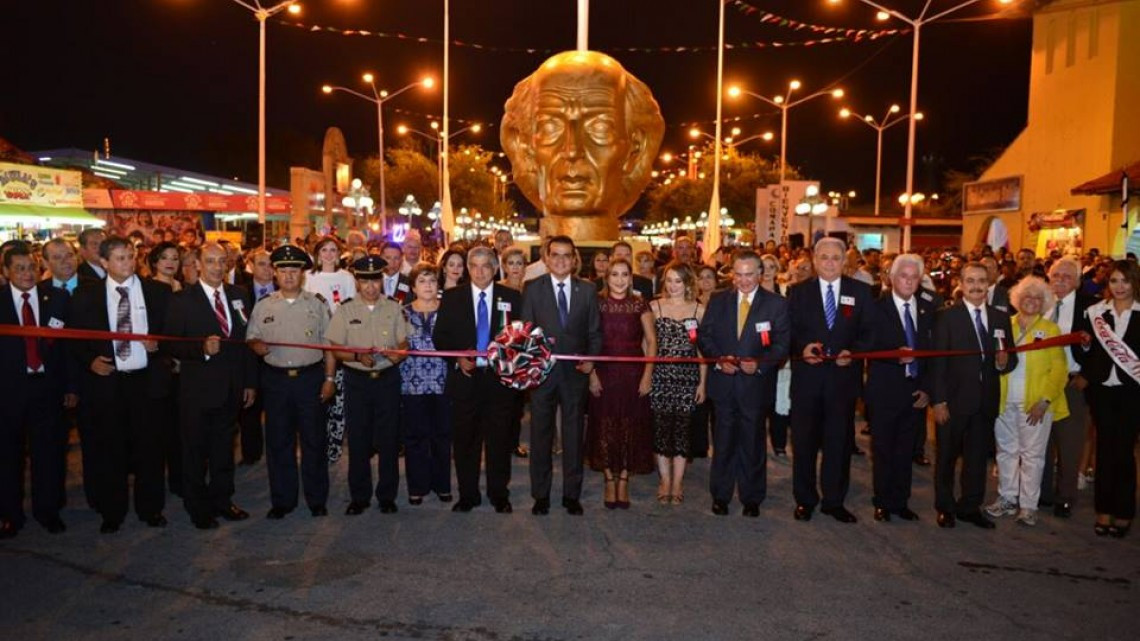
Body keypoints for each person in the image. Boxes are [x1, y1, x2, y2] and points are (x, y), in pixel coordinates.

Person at [69, 236, 172, 533]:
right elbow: (75, 342)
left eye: (130, 256)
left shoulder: (158, 292)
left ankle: (150, 509)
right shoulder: (86, 297)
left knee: (150, 449)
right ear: (104, 263)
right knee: (110, 450)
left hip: (146, 382)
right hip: (108, 384)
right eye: (119, 258)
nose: (127, 263)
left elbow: (172, 334)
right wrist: (90, 362)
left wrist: (160, 346)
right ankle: (112, 512)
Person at [163, 242, 258, 530]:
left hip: (231, 388)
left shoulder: (239, 295)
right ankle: (198, 507)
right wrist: (201, 349)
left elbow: (247, 342)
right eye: (211, 261)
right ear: (198, 265)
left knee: (223, 450)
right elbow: (170, 344)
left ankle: (223, 499)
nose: (217, 267)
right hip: (197, 391)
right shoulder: (183, 300)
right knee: (195, 451)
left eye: (222, 261)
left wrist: (250, 382)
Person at [787, 237, 875, 524]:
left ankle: (834, 501)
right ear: (814, 260)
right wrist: (801, 348)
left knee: (838, 444)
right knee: (804, 444)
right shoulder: (798, 292)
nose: (829, 263)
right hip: (807, 381)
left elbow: (869, 333)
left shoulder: (861, 292)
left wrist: (855, 352)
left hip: (842, 382)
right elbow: (787, 331)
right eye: (823, 257)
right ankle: (805, 499)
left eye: (835, 258)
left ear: (844, 261)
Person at [246, 245, 336, 520]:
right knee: (278, 441)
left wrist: (330, 378)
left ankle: (316, 499)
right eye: (283, 270)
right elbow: (252, 337)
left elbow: (330, 345)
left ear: (302, 274)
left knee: (314, 441)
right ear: (274, 273)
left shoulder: (317, 304)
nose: (288, 275)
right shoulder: (264, 306)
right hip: (276, 382)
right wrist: (255, 345)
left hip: (310, 378)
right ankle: (283, 500)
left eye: (294, 270)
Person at [698, 250, 790, 517]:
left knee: (753, 443)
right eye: (738, 274)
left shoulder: (776, 304)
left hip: (755, 387)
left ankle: (752, 498)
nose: (744, 280)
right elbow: (705, 336)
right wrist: (718, 359)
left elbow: (782, 345)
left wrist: (760, 364)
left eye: (749, 274)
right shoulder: (718, 300)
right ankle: (721, 496)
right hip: (724, 384)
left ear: (760, 274)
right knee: (723, 442)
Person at [433, 248, 522, 513]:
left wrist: (508, 359)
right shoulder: (452, 297)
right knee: (465, 442)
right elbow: (441, 337)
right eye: (474, 265)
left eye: (486, 266)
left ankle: (499, 494)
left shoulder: (512, 297)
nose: (480, 271)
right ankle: (468, 495)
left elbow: (521, 338)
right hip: (466, 380)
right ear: (468, 268)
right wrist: (458, 358)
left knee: (499, 441)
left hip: (499, 382)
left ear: (496, 269)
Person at [930, 261, 1017, 530]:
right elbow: (937, 364)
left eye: (981, 281)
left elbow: (1010, 361)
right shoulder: (946, 316)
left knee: (977, 459)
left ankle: (970, 506)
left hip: (985, 401)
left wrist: (1003, 363)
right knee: (946, 456)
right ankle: (945, 507)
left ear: (989, 283)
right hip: (953, 402)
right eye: (971, 281)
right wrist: (939, 401)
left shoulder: (1002, 318)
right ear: (961, 284)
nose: (977, 286)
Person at [520, 235, 603, 515]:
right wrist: (532, 364)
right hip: (542, 375)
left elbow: (594, 332)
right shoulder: (532, 289)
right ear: (546, 257)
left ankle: (571, 495)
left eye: (567, 255)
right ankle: (541, 495)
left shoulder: (588, 290)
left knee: (573, 435)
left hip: (575, 375)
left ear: (575, 259)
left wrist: (591, 361)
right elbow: (525, 331)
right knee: (540, 436)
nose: (561, 260)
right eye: (555, 254)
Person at [0, 245, 75, 538]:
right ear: (6, 272)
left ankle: (48, 511)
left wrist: (71, 387)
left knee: (50, 453)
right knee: (8, 455)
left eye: (30, 267)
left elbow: (68, 348)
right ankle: (9, 514)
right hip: (8, 392)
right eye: (19, 268)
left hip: (48, 389)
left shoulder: (57, 298)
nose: (27, 273)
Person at [326, 256, 409, 515]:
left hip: (386, 380)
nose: (371, 286)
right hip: (357, 381)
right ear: (357, 282)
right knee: (359, 439)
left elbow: (404, 342)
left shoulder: (394, 307)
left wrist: (400, 353)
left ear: (381, 279)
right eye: (364, 280)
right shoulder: (345, 309)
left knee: (388, 439)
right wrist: (356, 356)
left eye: (375, 280)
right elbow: (335, 348)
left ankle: (387, 496)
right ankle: (359, 496)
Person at [985, 276, 1068, 527]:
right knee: (1006, 451)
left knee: (1033, 455)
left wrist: (1044, 401)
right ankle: (1007, 498)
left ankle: (1028, 506)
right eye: (1026, 297)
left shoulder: (1051, 330)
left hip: (1035, 403)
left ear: (1044, 303)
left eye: (1037, 298)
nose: (1031, 301)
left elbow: (1059, 370)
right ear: (1017, 300)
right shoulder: (1005, 325)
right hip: (1004, 400)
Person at [864, 254, 936, 523]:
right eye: (903, 276)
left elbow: (934, 353)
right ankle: (882, 501)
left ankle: (900, 501)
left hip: (915, 392)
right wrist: (894, 355)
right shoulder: (875, 308)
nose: (908, 281)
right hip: (884, 390)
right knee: (883, 449)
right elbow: (866, 346)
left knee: (906, 451)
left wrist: (928, 388)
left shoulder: (930, 308)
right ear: (891, 278)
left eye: (914, 277)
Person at [1077, 260, 1140, 538]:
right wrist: (1086, 346)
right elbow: (1084, 354)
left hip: (1133, 391)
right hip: (1102, 390)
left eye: (1125, 281)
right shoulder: (1095, 313)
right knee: (1104, 450)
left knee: (1124, 451)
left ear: (1134, 282)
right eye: (1114, 281)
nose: (1119, 287)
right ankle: (1103, 510)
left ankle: (1124, 511)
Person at [586, 258, 656, 509]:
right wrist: (591, 374)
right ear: (607, 277)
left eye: (624, 274)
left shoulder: (639, 303)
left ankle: (624, 478)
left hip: (633, 372)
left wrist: (648, 374)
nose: (619, 279)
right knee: (604, 423)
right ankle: (608, 479)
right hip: (603, 372)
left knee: (629, 424)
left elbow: (651, 340)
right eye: (614, 274)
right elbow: (588, 340)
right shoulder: (597, 302)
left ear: (631, 277)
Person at [1039, 257, 1097, 517]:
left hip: (1072, 383)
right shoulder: (1040, 303)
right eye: (1056, 275)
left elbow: (1100, 348)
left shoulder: (1091, 308)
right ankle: (1042, 493)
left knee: (1069, 443)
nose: (1060, 280)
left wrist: (1086, 374)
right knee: (1041, 440)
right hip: (1041, 382)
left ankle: (1065, 495)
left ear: (1077, 281)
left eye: (1066, 276)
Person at [649, 262, 706, 503]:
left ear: (688, 283)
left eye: (678, 281)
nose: (673, 286)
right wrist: (646, 374)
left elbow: (703, 350)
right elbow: (647, 345)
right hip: (660, 375)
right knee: (661, 429)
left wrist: (703, 383)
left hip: (687, 376)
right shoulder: (654, 307)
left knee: (682, 431)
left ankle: (677, 481)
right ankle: (664, 480)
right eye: (669, 280)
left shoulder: (699, 310)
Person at [400, 263, 453, 506]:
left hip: (444, 383)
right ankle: (417, 486)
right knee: (415, 436)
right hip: (412, 384)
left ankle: (442, 484)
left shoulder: (450, 311)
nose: (428, 286)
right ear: (413, 286)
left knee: (442, 436)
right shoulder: (402, 312)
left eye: (432, 281)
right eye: (422, 281)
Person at [304, 236, 355, 462]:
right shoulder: (308, 277)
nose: (328, 254)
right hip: (314, 344)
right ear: (317, 253)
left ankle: (333, 447)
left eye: (333, 249)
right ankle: (315, 444)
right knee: (315, 398)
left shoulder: (346, 277)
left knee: (338, 399)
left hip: (340, 343)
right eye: (324, 249)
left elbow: (352, 308)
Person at [498, 245, 529, 459]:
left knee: (518, 403)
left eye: (519, 263)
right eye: (511, 263)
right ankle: (499, 442)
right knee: (501, 402)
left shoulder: (531, 290)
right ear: (504, 266)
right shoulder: (497, 290)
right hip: (501, 352)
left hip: (525, 353)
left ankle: (514, 443)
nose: (516, 267)